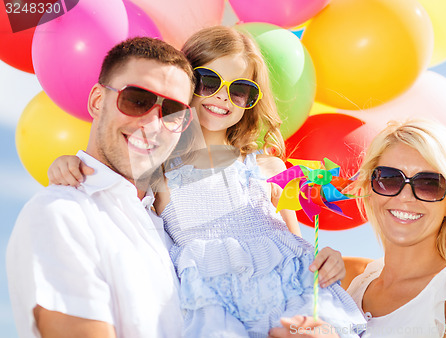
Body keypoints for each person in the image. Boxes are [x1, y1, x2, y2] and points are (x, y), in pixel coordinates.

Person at [47, 26, 366, 337]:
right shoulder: (156, 169)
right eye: (208, 81)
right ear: (185, 83)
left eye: (240, 91)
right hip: (215, 308)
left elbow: (298, 247)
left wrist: (328, 260)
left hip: (288, 301)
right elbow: (109, 184)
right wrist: (70, 163)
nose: (223, 97)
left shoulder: (268, 166)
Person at [6, 37, 195, 338]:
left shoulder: (175, 228)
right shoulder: (61, 215)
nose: (153, 123)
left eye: (172, 111)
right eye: (137, 100)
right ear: (97, 101)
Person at [343, 119, 446, 337]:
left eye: (429, 184)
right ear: (371, 187)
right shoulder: (346, 277)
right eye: (389, 179)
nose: (404, 197)